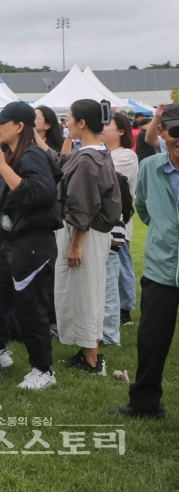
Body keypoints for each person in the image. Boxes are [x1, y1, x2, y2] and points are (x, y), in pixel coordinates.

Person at [0, 101, 61, 391]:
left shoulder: (31, 156)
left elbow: (40, 195)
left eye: (2, 122)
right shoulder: (16, 154)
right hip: (9, 243)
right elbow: (8, 206)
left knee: (32, 309)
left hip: (32, 246)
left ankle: (43, 369)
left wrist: (1, 164)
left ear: (19, 126)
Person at [109, 103, 179, 419]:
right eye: (176, 145)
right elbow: (144, 208)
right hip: (161, 269)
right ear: (163, 135)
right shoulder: (151, 167)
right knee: (151, 339)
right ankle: (145, 403)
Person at [55, 99, 121, 376]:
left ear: (82, 123)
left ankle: (92, 361)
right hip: (93, 234)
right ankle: (88, 353)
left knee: (81, 294)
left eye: (69, 118)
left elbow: (83, 205)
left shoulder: (87, 160)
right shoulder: (96, 152)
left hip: (84, 234)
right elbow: (60, 160)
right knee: (88, 292)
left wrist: (75, 245)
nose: (66, 123)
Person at [103, 111, 139, 332]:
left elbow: (110, 183)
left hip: (119, 223)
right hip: (105, 222)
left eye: (108, 124)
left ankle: (125, 310)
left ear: (121, 131)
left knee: (121, 266)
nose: (103, 128)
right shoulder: (104, 153)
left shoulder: (126, 155)